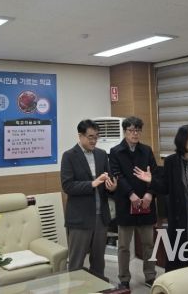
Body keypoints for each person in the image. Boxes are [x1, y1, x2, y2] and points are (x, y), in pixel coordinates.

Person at [134, 124, 188, 271]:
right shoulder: (171, 161)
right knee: (180, 267)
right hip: (180, 222)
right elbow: (165, 188)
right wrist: (152, 180)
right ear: (183, 141)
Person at [60, 119, 117, 278]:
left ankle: (99, 287)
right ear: (80, 136)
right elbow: (67, 186)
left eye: (96, 137)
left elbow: (108, 179)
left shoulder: (101, 154)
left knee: (98, 261)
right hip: (80, 217)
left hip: (101, 216)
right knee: (76, 262)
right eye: (90, 137)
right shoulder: (69, 156)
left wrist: (112, 187)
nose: (94, 140)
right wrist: (92, 184)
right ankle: (75, 288)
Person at [109, 116, 157, 289]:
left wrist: (150, 194)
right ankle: (124, 279)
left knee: (148, 244)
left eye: (138, 130)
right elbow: (117, 175)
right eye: (131, 130)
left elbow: (155, 174)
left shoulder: (147, 150)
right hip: (125, 203)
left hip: (146, 202)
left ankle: (150, 275)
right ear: (125, 131)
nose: (135, 133)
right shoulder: (115, 151)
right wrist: (130, 194)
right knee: (123, 246)